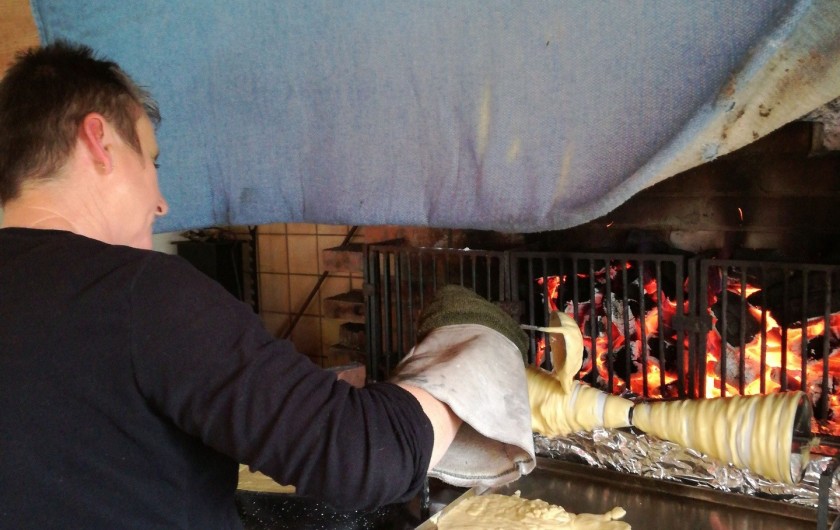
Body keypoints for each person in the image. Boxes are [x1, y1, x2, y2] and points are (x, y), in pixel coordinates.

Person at [0, 41, 471, 529]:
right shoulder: (139, 294)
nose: (161, 204)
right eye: (153, 163)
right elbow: (365, 456)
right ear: (99, 142)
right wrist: (471, 367)